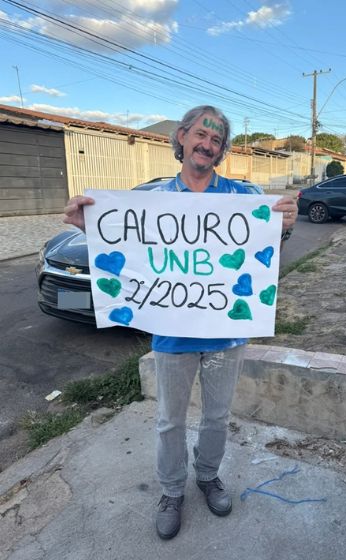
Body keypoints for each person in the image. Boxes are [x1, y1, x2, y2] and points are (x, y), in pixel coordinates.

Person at [63, 105, 298, 540]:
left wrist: (283, 226)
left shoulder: (242, 200)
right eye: (201, 135)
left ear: (221, 150)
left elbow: (264, 256)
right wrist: (89, 227)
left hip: (226, 335)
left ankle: (207, 476)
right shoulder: (154, 200)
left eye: (217, 140)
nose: (208, 144)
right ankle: (172, 491)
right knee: (170, 421)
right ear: (182, 137)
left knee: (216, 417)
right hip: (171, 336)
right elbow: (126, 243)